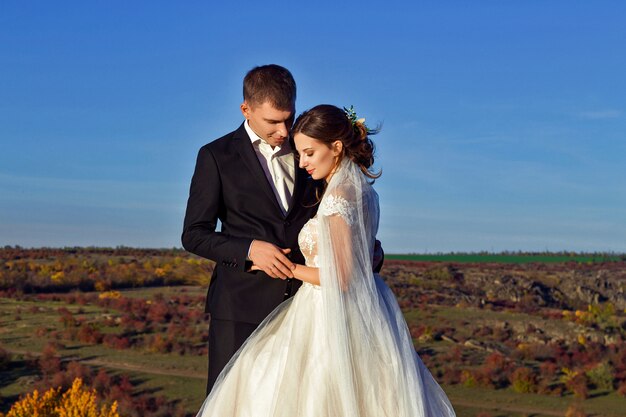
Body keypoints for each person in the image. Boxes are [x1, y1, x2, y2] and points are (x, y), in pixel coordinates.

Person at [195, 104, 456, 417]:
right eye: (300, 153)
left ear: (336, 147)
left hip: (327, 314)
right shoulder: (362, 190)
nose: (302, 162)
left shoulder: (337, 198)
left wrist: (287, 267)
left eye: (309, 152)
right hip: (360, 309)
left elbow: (341, 277)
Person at [181, 65, 321, 393]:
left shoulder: (310, 152)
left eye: (289, 118)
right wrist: (247, 249)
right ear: (246, 109)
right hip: (238, 310)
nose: (284, 130)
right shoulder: (216, 156)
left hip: (304, 308)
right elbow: (194, 233)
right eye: (273, 121)